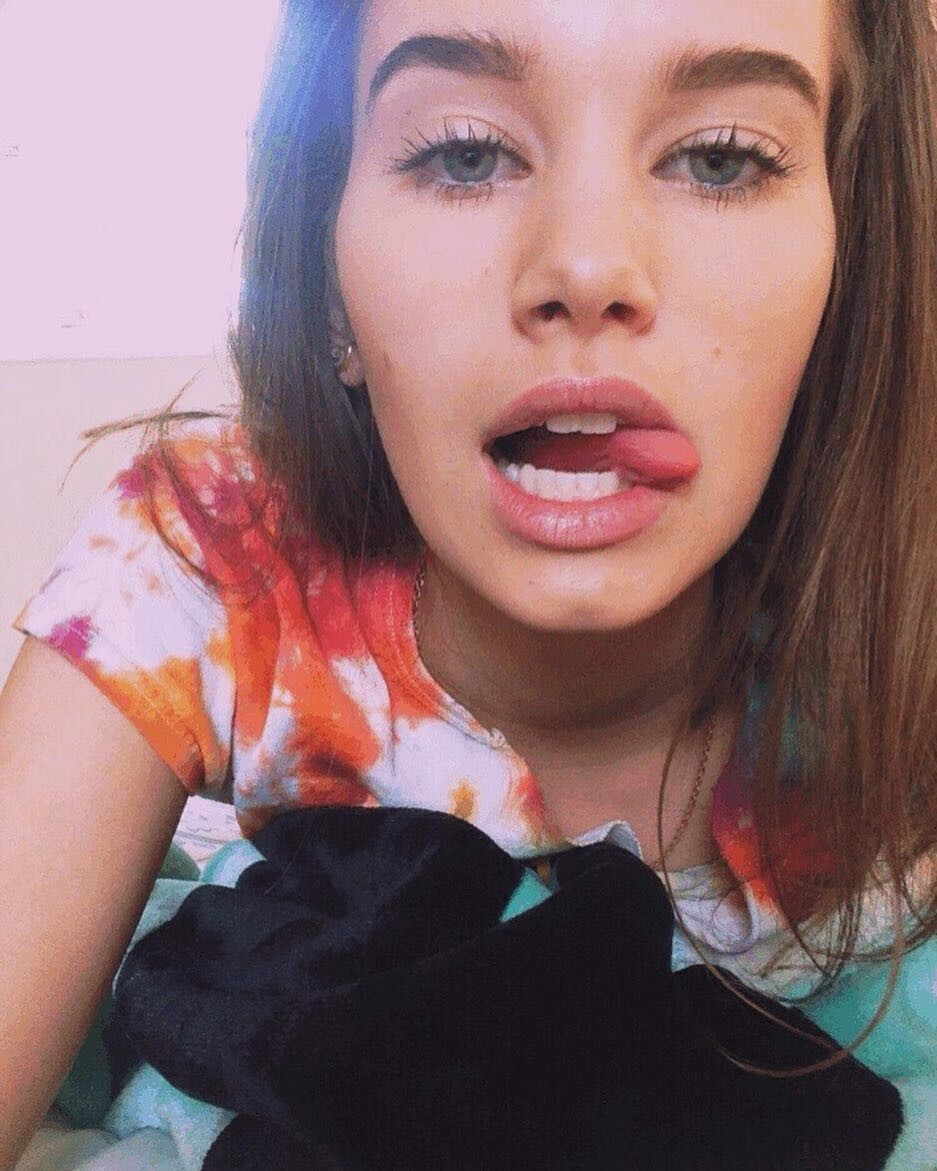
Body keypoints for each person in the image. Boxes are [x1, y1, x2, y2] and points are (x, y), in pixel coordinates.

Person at [1, 0, 935, 1165]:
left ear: (852, 265)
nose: (586, 268)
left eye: (719, 158)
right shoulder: (204, 546)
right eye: (463, 153)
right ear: (330, 286)